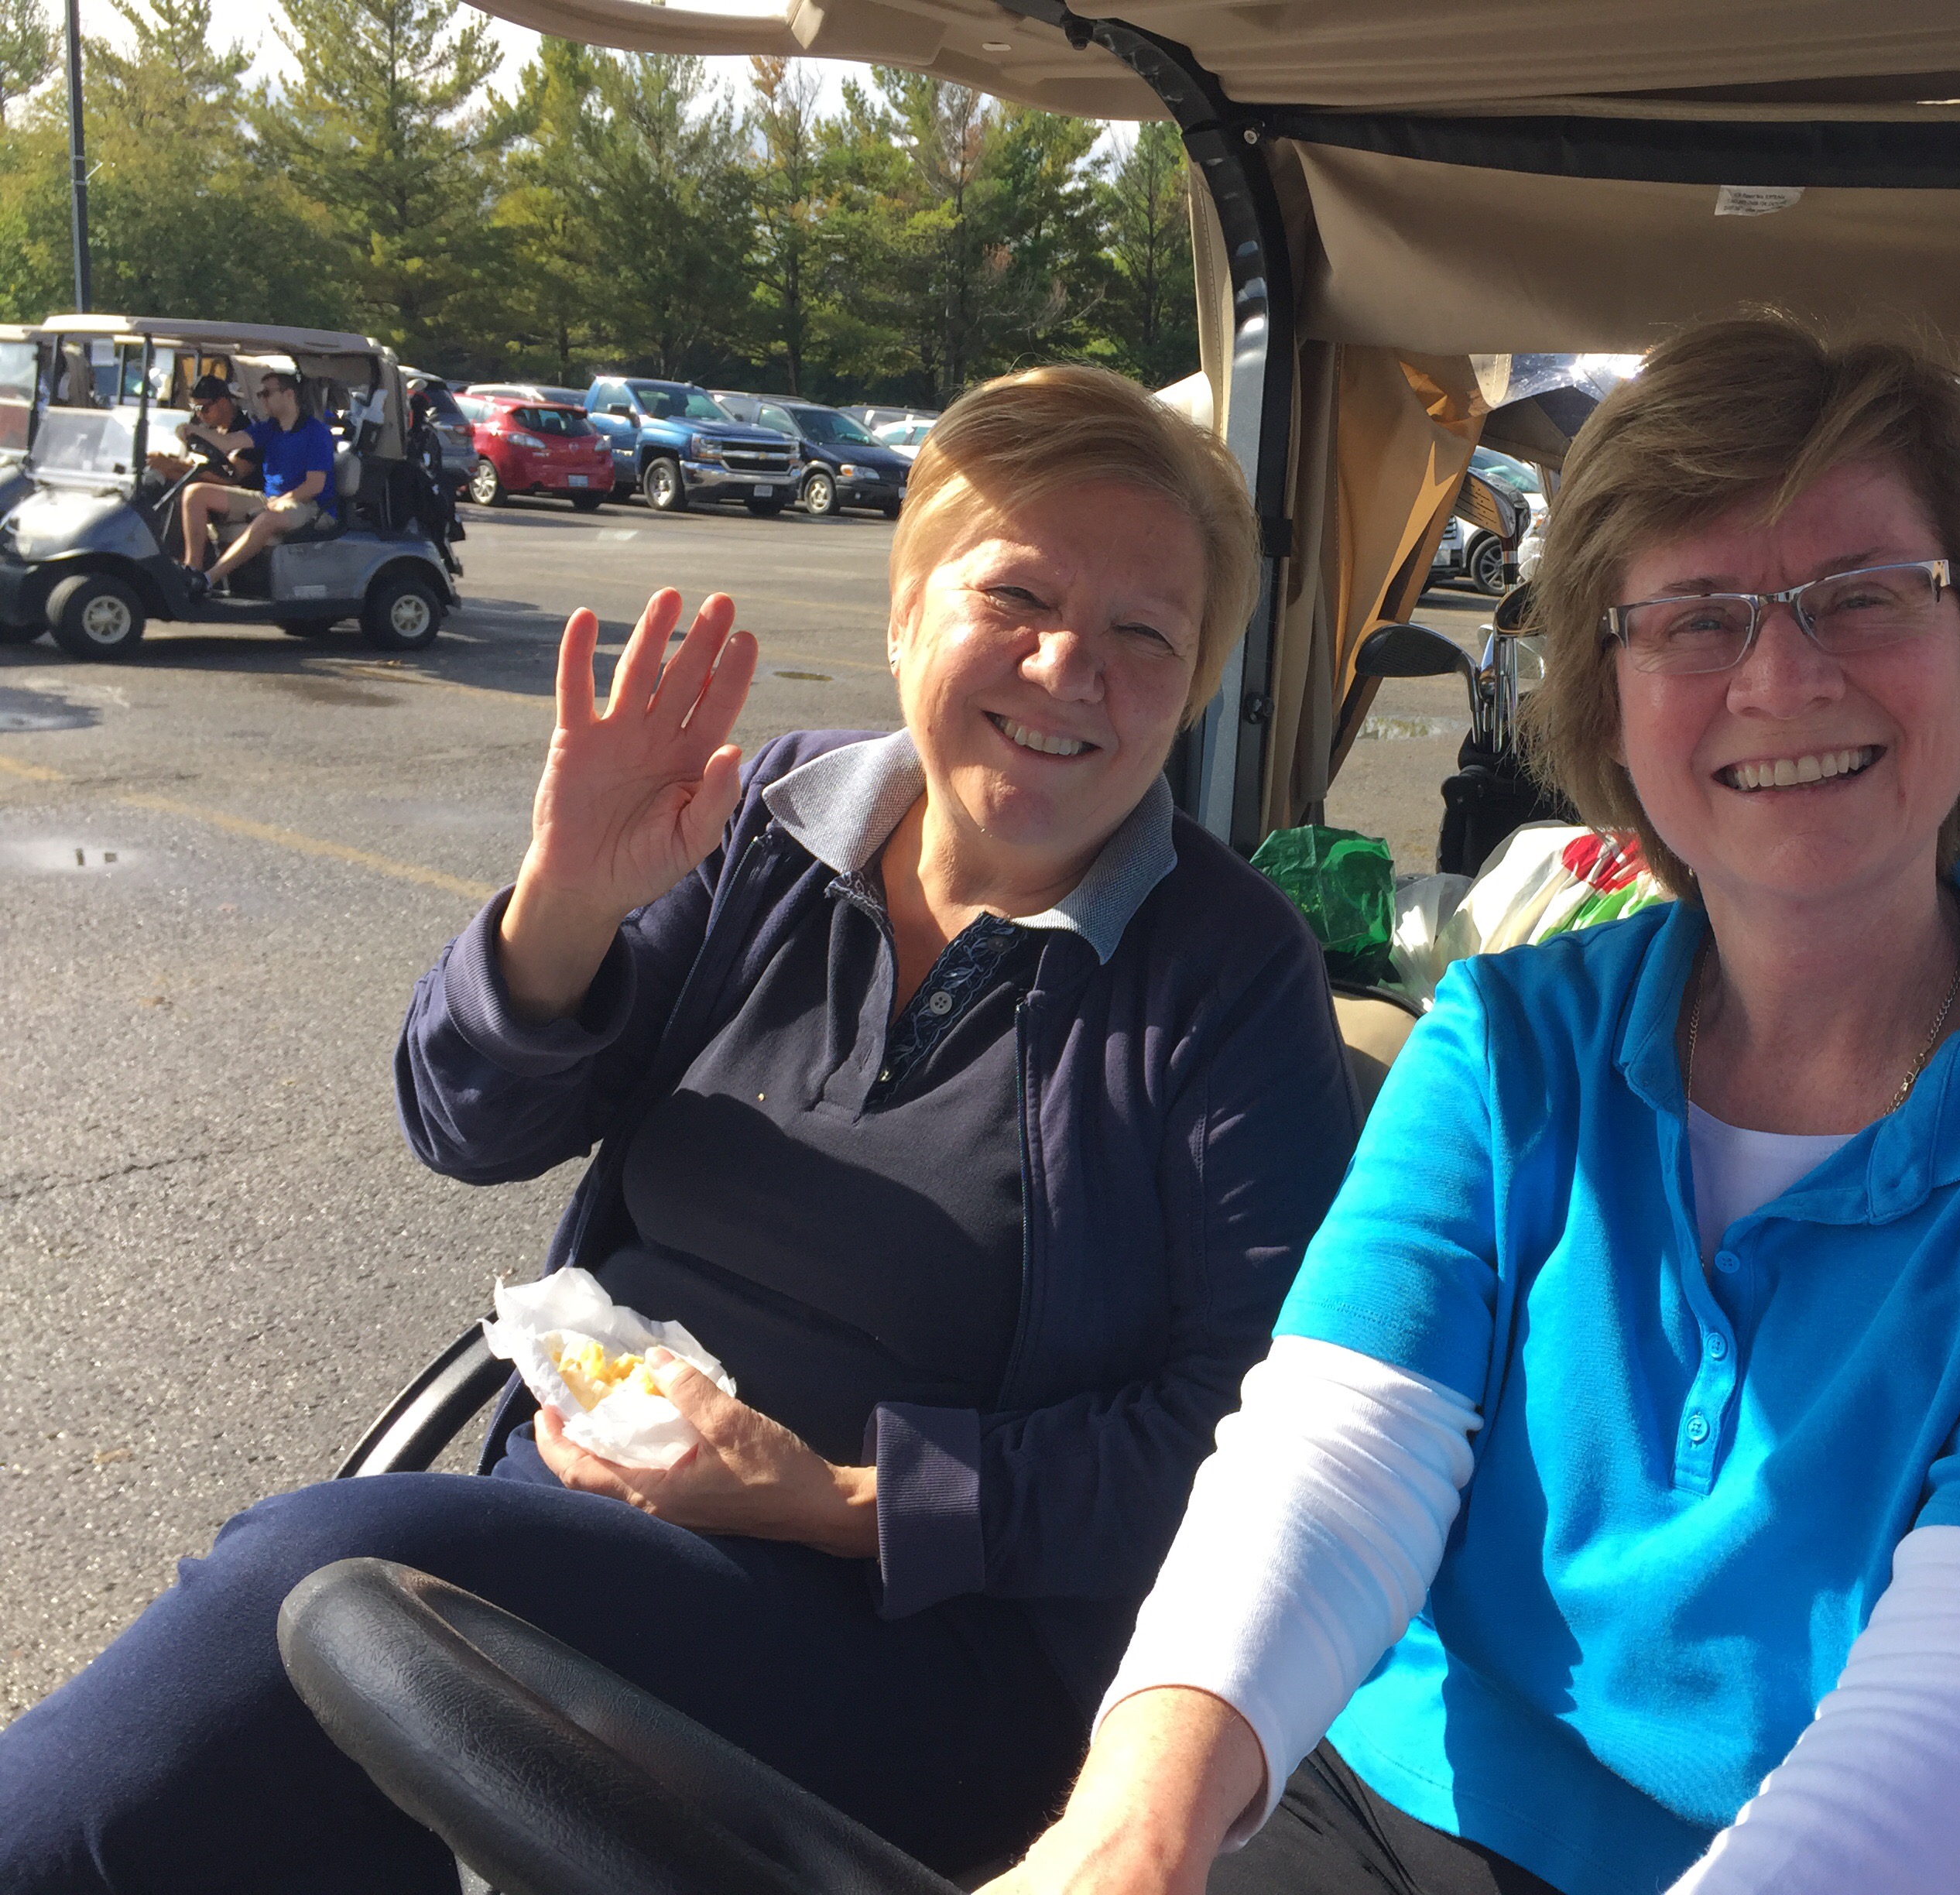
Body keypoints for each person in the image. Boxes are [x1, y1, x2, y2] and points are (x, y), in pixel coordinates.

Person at [989, 319, 1960, 1895]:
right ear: (1610, 706)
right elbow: (1334, 1456)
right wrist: (1128, 1836)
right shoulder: (1506, 1040)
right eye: (1695, 619)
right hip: (1422, 1809)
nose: (1782, 676)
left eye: (1863, 595)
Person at [0, 363, 1359, 1894]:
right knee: (299, 1742)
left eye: (1143, 636)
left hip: (924, 1646)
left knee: (326, 1582)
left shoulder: (1227, 975)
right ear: (906, 613)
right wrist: (563, 904)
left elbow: (1242, 1441)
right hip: (569, 1518)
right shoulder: (769, 818)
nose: (1067, 668)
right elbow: (463, 1124)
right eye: (1018, 597)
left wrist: (839, 1503)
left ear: (1194, 682)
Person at [176, 368, 338, 591]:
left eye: (267, 393)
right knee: (195, 493)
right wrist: (193, 430)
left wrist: (276, 504)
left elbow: (314, 486)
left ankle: (208, 579)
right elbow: (228, 442)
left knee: (267, 518)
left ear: (289, 395)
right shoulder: (268, 428)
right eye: (260, 394)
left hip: (311, 506)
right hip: (271, 499)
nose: (262, 399)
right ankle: (192, 569)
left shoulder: (316, 432)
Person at [144, 372, 259, 489]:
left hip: (234, 492)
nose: (199, 414)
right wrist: (164, 462)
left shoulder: (245, 431)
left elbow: (230, 477)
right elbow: (191, 462)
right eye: (195, 408)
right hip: (208, 485)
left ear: (223, 402)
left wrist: (173, 464)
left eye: (204, 408)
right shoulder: (207, 429)